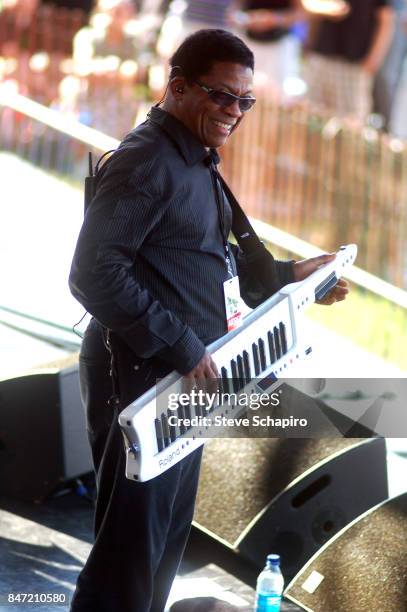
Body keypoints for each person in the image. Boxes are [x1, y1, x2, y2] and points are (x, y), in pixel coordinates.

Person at [68, 28, 348, 612]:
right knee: (130, 555)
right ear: (176, 87)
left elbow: (205, 267)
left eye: (244, 101)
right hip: (145, 375)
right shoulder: (148, 160)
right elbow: (93, 273)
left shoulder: (192, 159)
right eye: (222, 96)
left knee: (159, 549)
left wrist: (298, 276)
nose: (235, 112)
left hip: (179, 377)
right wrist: (180, 346)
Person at [303, 0, 395, 123]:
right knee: (312, 116)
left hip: (355, 62)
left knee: (351, 122)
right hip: (322, 54)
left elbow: (386, 18)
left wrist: (374, 58)